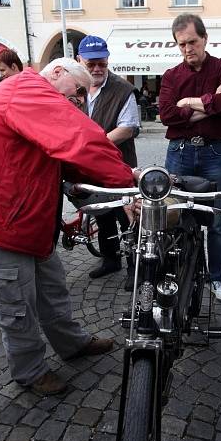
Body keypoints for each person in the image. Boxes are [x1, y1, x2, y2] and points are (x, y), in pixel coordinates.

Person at [0, 57, 135, 396]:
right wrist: (128, 183)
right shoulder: (27, 89)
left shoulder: (26, 94)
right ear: (56, 73)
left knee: (52, 289)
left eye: (85, 94)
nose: (80, 99)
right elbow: (79, 140)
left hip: (21, 220)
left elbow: (65, 159)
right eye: (78, 89)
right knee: (16, 308)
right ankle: (31, 372)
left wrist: (118, 186)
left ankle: (72, 343)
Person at [159, 13, 221, 302]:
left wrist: (189, 103)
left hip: (215, 152)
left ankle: (217, 278)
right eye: (181, 44)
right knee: (176, 216)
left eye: (192, 41)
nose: (187, 48)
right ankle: (179, 272)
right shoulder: (170, 76)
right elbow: (166, 114)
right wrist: (209, 104)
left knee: (216, 220)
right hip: (179, 153)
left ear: (204, 38)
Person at [77, 35, 139, 282]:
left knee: (128, 218)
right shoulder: (76, 88)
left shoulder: (122, 89)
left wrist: (94, 146)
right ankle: (110, 260)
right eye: (91, 64)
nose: (96, 69)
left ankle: (135, 267)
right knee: (102, 215)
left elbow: (128, 127)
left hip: (120, 165)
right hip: (92, 169)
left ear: (107, 60)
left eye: (101, 63)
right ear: (79, 60)